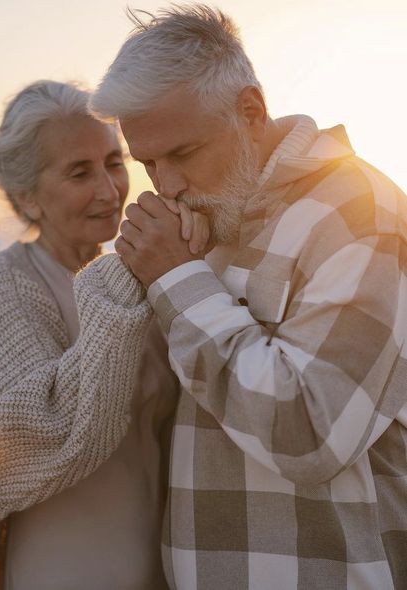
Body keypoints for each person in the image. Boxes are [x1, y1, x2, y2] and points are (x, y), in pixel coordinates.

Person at [90, 5, 407, 589]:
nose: (167, 186)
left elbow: (312, 432)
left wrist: (176, 279)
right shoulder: (209, 215)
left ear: (251, 111)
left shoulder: (359, 211)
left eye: (182, 154)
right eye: (148, 164)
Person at [0, 80, 208, 589]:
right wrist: (133, 271)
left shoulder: (130, 282)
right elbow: (54, 429)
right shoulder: (4, 283)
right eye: (80, 172)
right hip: (60, 570)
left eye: (113, 162)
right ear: (28, 198)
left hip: (159, 565)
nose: (109, 190)